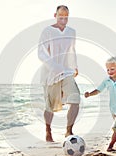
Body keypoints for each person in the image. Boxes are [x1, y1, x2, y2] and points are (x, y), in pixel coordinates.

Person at [38, 5, 80, 142]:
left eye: (66, 17)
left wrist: (74, 67)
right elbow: (41, 53)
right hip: (50, 72)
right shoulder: (47, 31)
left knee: (75, 99)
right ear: (55, 15)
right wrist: (54, 67)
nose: (63, 20)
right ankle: (48, 130)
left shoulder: (71, 32)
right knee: (49, 106)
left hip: (67, 71)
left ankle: (69, 131)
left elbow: (72, 50)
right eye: (60, 17)